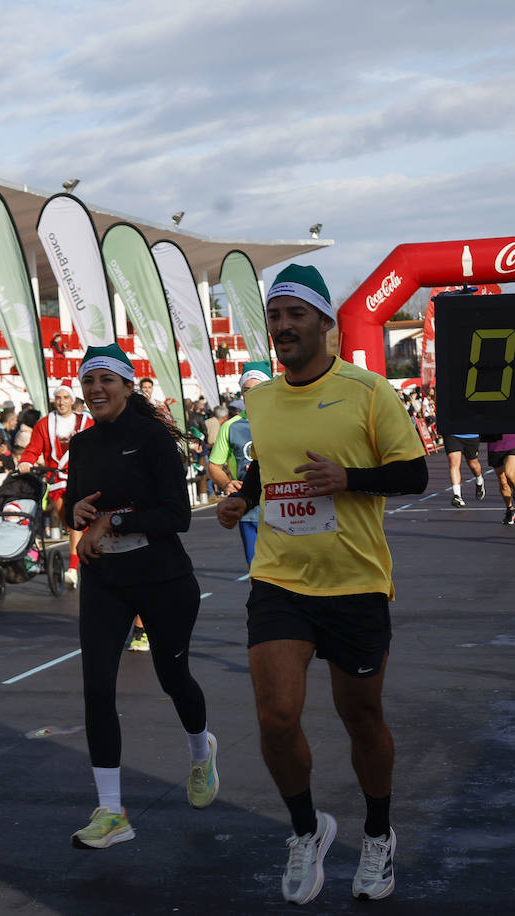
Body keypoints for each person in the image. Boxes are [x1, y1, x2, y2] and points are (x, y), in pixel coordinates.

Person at [214, 264, 427, 904]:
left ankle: (379, 834)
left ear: (325, 324)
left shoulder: (369, 392)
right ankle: (307, 831)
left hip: (355, 582)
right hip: (280, 579)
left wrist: (349, 478)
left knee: (360, 717)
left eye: (295, 315)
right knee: (276, 717)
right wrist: (240, 499)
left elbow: (414, 476)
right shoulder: (260, 400)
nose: (282, 327)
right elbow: (266, 469)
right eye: (275, 316)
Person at [64, 343, 217, 850]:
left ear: (129, 385)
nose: (96, 390)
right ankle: (111, 812)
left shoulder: (152, 438)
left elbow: (177, 515)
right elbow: (70, 506)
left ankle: (201, 750)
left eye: (106, 380)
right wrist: (78, 513)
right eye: (88, 382)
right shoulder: (82, 445)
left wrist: (117, 519)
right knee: (96, 688)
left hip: (162, 578)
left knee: (173, 677)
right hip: (106, 580)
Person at [18, 385, 95, 589]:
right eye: (58, 397)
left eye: (65, 397)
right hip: (58, 481)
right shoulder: (44, 424)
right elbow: (33, 448)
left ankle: (72, 569)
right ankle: (82, 558)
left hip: (84, 479)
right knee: (71, 524)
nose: (61, 402)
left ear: (72, 400)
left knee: (76, 523)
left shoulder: (86, 422)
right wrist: (25, 461)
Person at [208, 363, 272, 565]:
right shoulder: (230, 426)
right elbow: (214, 466)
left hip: (284, 508)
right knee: (257, 572)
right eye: (247, 390)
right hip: (250, 512)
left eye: (258, 388)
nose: (252, 395)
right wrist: (227, 483)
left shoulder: (285, 419)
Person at [438, 420, 483, 507]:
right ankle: (457, 495)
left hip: (471, 435)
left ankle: (479, 480)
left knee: (473, 464)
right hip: (452, 434)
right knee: (453, 463)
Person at [487, 433, 515, 525]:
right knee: (503, 481)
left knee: (509, 474)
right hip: (495, 446)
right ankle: (510, 510)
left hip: (512, 442)